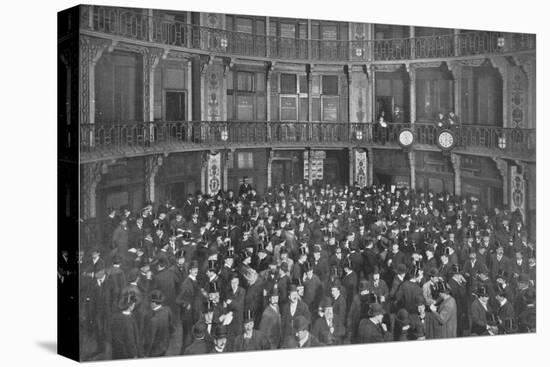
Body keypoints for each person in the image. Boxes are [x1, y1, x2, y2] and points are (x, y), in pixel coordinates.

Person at [143, 290, 175, 357]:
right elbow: (171, 328)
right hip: (165, 346)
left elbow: (150, 340)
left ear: (153, 303)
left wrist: (145, 354)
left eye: (150, 301)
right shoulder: (168, 310)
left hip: (155, 351)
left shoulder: (153, 320)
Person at [111, 291, 140, 359]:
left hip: (116, 351)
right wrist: (134, 355)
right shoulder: (129, 321)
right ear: (131, 306)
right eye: (134, 304)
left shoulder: (115, 317)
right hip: (127, 354)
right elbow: (130, 341)